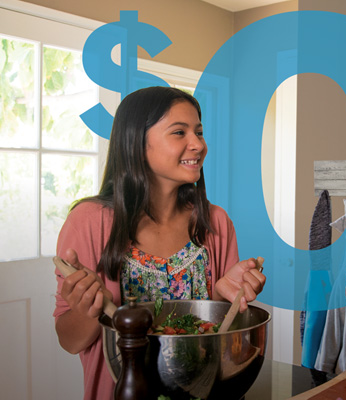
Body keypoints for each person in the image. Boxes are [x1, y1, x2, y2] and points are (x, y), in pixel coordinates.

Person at [53, 86, 266, 400]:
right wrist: (85, 309)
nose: (199, 144)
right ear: (137, 144)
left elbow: (221, 345)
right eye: (179, 132)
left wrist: (223, 298)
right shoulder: (89, 221)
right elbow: (70, 341)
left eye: (199, 131)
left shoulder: (215, 223)